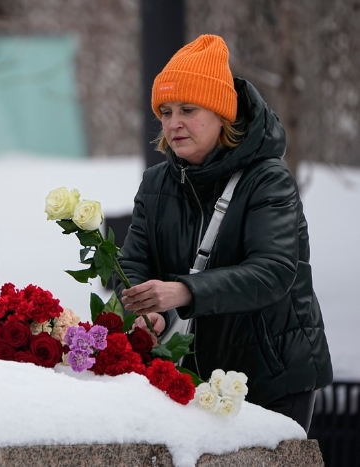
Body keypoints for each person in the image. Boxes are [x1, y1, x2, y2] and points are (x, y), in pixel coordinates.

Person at [116, 34, 332, 432]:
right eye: (165, 111)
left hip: (270, 374)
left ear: (222, 114)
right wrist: (147, 309)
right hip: (189, 372)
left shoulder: (269, 179)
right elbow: (132, 263)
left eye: (187, 108)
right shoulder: (155, 182)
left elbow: (273, 271)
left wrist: (183, 292)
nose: (173, 122)